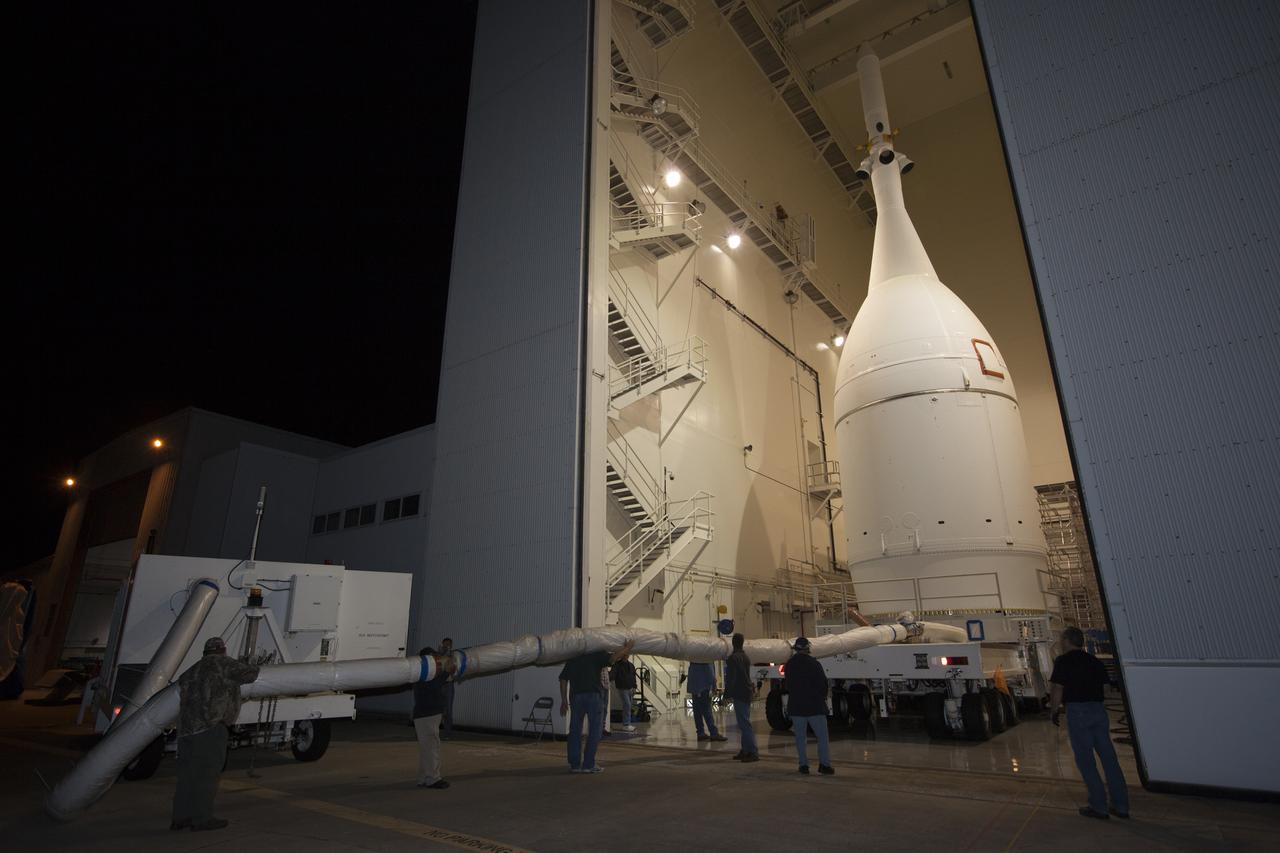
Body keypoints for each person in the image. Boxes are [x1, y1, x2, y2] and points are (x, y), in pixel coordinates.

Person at [170, 637, 260, 832]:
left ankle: (180, 818)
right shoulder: (223, 663)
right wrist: (253, 663)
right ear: (222, 650)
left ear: (205, 652)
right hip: (210, 727)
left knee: (187, 775)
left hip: (186, 730)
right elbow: (250, 675)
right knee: (207, 774)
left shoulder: (191, 671)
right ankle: (202, 818)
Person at [1049, 627, 1129, 820]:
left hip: (1078, 712)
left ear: (1067, 640)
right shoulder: (1095, 661)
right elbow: (1107, 688)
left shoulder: (1063, 661)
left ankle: (1099, 806)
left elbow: (1058, 688)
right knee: (1109, 759)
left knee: (1086, 761)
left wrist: (1054, 710)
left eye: (1062, 639)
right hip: (1098, 711)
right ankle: (1121, 806)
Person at [559, 639, 635, 773]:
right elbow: (613, 658)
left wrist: (564, 700)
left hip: (576, 697)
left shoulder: (573, 657)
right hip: (593, 696)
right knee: (595, 731)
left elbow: (563, 679)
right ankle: (588, 764)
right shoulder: (596, 653)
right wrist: (627, 647)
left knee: (575, 730)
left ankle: (575, 765)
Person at [784, 637, 834, 776]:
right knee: (822, 737)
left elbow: (787, 685)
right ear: (808, 648)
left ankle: (803, 765)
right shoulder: (814, 664)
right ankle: (824, 765)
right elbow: (823, 685)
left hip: (796, 707)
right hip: (815, 706)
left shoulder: (789, 664)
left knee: (800, 738)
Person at [413, 646, 458, 789]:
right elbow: (434, 686)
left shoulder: (423, 672)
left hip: (427, 715)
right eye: (434, 658)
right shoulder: (424, 673)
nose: (437, 661)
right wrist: (446, 672)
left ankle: (423, 778)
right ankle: (433, 778)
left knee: (427, 747)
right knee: (431, 747)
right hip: (427, 715)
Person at [723, 633, 758, 762]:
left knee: (745, 724)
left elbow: (731, 679)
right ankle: (745, 750)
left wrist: (726, 695)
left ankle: (753, 752)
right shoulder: (746, 657)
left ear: (733, 643)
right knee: (744, 723)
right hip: (747, 692)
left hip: (740, 693)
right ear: (742, 643)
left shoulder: (733, 658)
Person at [686, 661, 727, 742]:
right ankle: (714, 733)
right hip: (703, 687)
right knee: (707, 710)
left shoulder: (693, 657)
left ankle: (700, 733)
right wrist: (714, 685)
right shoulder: (706, 656)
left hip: (695, 687)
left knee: (697, 711)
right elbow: (710, 672)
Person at [611, 650, 638, 732]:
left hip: (630, 688)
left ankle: (627, 723)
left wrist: (634, 687)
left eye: (627, 654)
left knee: (628, 706)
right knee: (627, 705)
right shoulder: (617, 665)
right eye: (625, 654)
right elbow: (613, 674)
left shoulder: (631, 665)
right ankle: (626, 724)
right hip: (622, 688)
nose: (626, 656)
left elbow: (633, 677)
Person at [439, 637, 455, 739]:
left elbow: (454, 669)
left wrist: (449, 654)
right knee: (438, 709)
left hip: (448, 684)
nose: (447, 646)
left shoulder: (453, 655)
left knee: (448, 710)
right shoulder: (437, 655)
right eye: (445, 644)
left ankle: (447, 734)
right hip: (438, 684)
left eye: (449, 644)